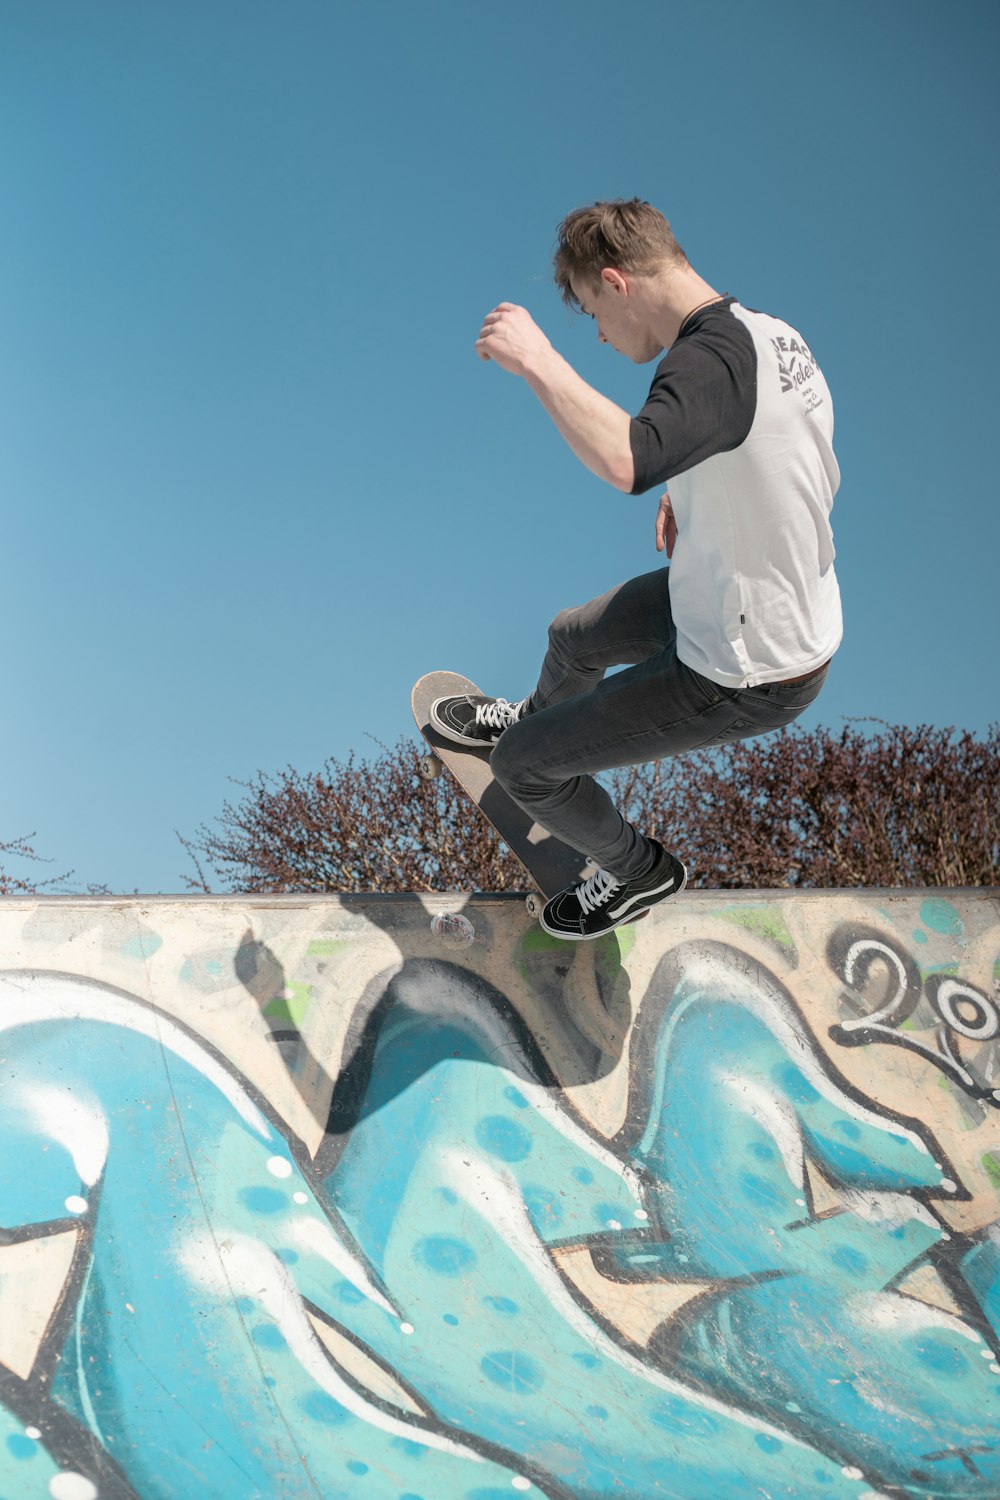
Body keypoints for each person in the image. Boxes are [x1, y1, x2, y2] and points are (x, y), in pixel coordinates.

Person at [431, 198, 842, 941]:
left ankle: (634, 869)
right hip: (751, 596)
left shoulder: (707, 360)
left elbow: (628, 460)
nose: (598, 334)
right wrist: (693, 491)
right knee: (573, 637)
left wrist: (537, 359)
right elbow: (794, 450)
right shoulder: (771, 336)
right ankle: (536, 717)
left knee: (525, 768)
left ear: (617, 282)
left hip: (748, 668)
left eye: (593, 312)